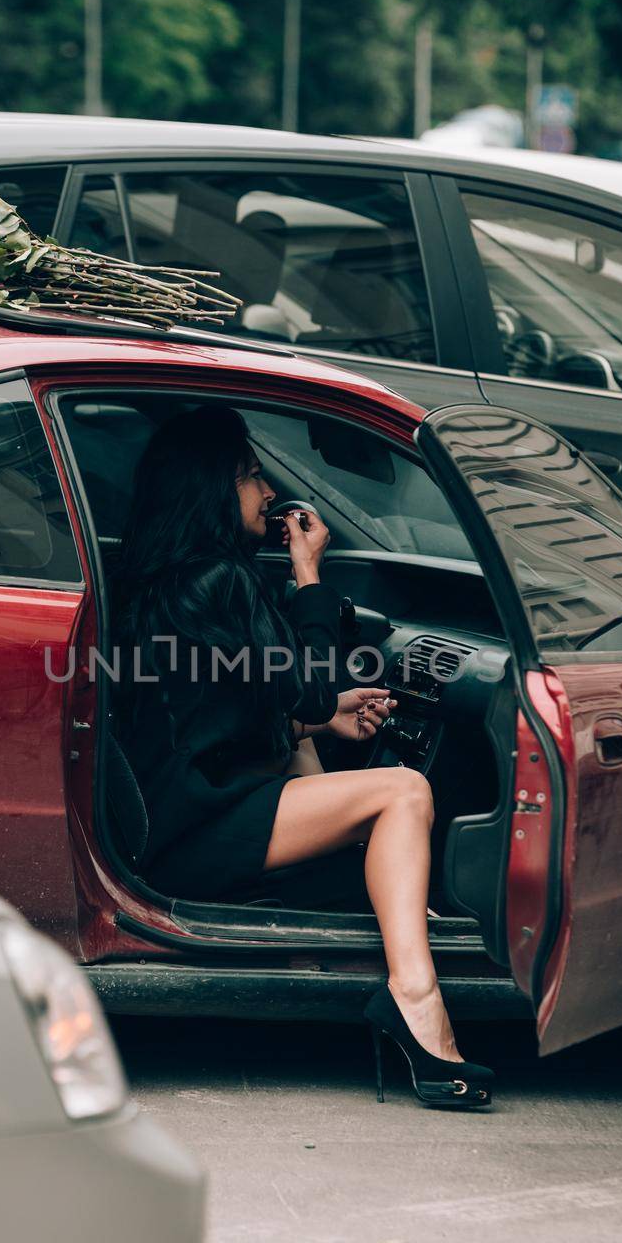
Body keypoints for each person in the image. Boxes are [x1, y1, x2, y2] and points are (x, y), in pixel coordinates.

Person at [114, 406, 494, 1110]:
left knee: (333, 753)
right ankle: (415, 999)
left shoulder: (166, 581)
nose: (267, 494)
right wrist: (309, 573)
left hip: (180, 815)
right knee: (404, 791)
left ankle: (393, 916)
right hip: (192, 834)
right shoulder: (218, 581)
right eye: (251, 477)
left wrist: (315, 719)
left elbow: (239, 708)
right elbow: (311, 688)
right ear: (209, 491)